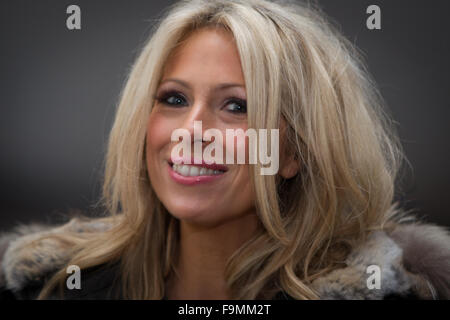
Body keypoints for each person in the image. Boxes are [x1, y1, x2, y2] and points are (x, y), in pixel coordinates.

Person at [1, 0, 449, 300]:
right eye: (174, 99)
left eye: (237, 106)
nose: (192, 131)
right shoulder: (47, 286)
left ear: (295, 154)